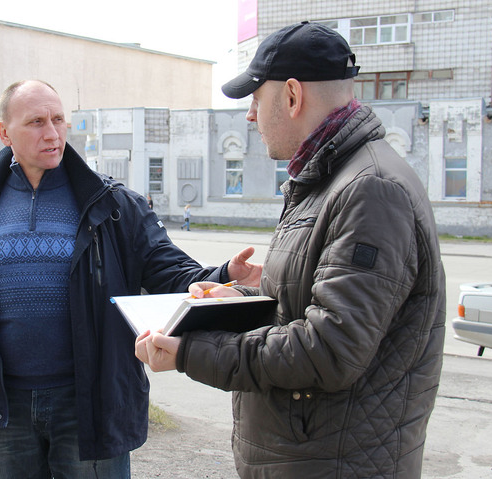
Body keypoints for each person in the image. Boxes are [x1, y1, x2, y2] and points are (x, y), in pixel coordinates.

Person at [136, 22, 446, 478]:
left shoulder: (370, 190)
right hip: (309, 455)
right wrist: (240, 302)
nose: (249, 116)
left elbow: (330, 348)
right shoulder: (329, 179)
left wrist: (189, 352)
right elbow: (306, 310)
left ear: (293, 96)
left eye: (256, 100)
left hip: (334, 464)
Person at [0, 80, 262, 478]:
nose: (52, 133)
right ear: (4, 132)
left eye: (58, 119)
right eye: (36, 122)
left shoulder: (111, 204)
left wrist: (223, 275)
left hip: (90, 403)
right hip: (4, 406)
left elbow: (169, 269)